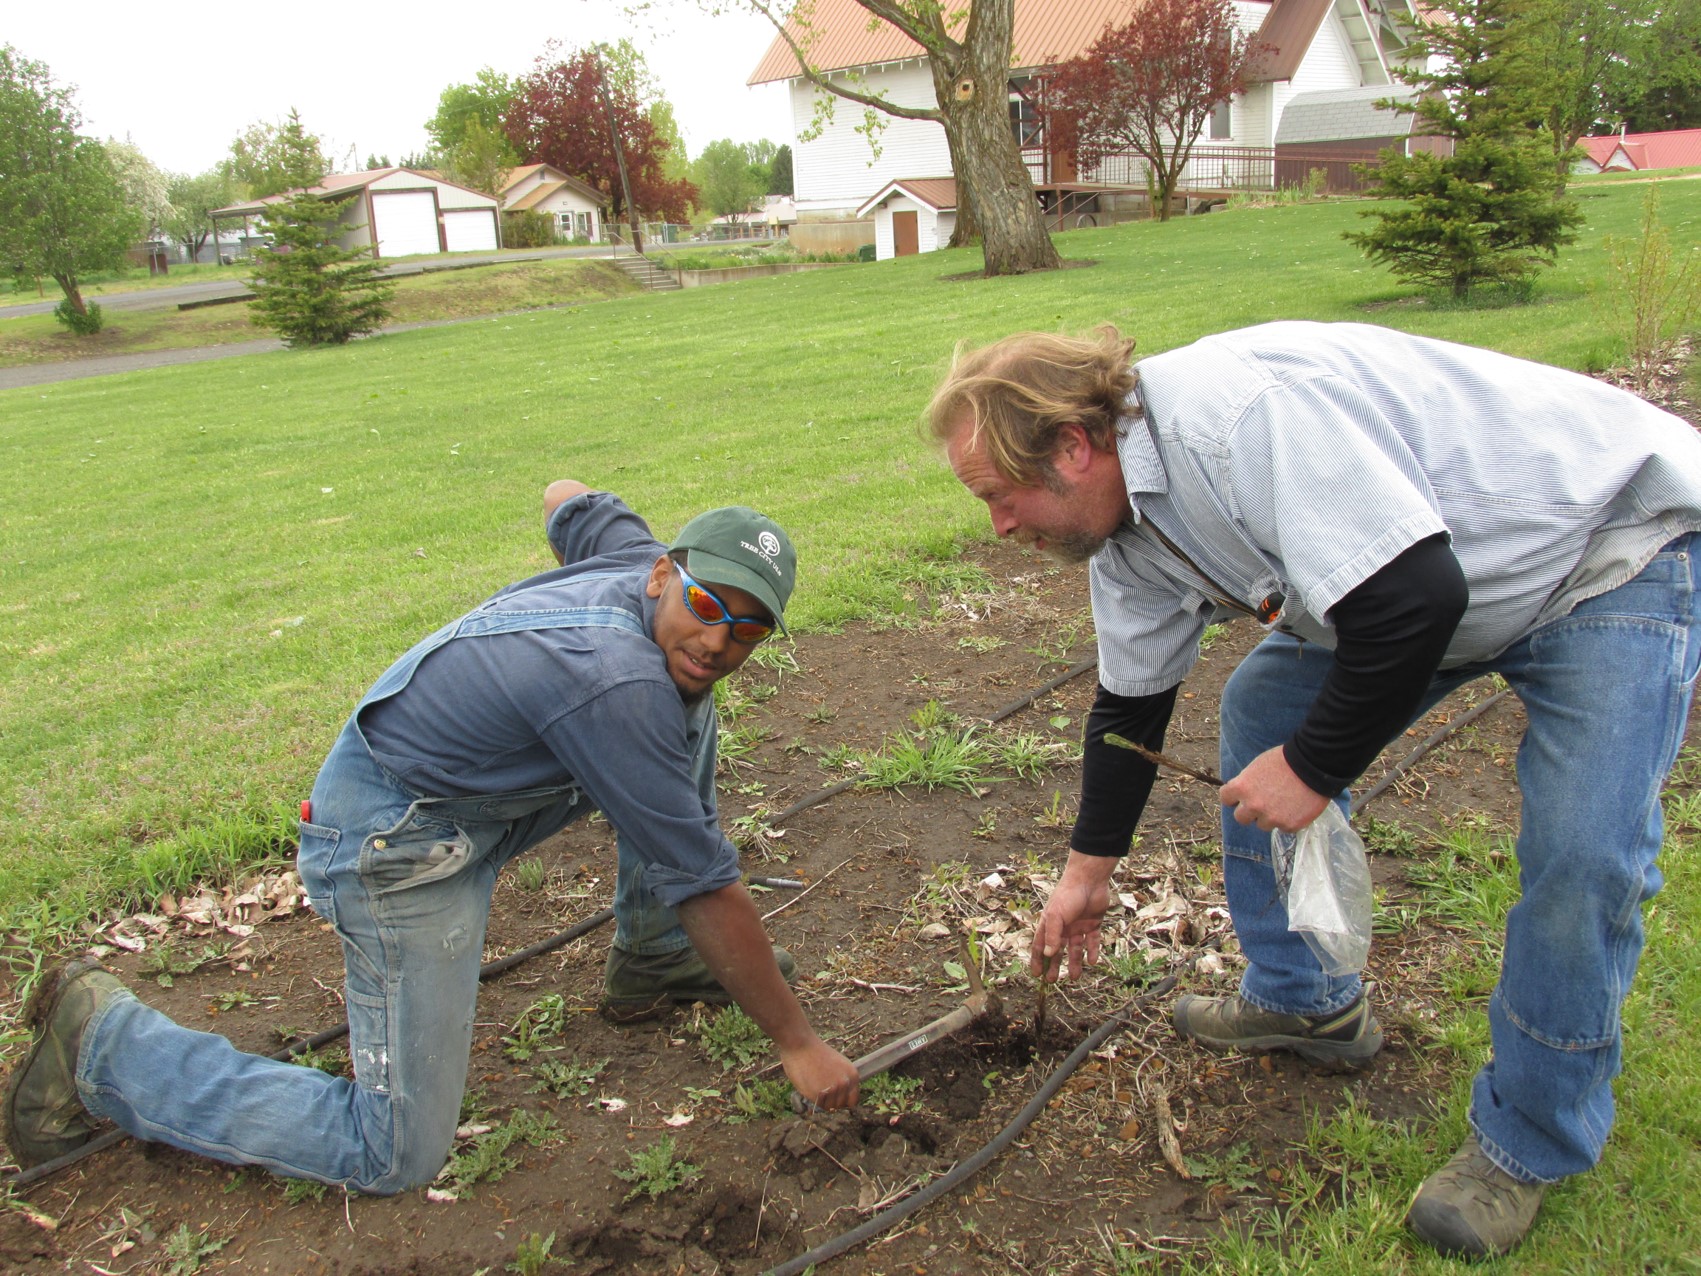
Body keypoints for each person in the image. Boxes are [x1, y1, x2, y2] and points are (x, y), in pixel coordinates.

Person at [928, 321, 1701, 1259]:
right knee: (1264, 701)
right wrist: (1086, 873)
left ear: (1072, 446)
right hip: (1432, 593)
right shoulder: (1123, 533)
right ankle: (1305, 997)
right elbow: (1127, 710)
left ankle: (1527, 1142)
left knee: (1586, 852)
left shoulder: (1239, 424)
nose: (998, 527)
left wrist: (1311, 770)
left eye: (999, 498)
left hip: (1599, 554)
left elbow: (1415, 600)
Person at [3, 484, 860, 1192]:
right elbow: (702, 878)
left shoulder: (629, 558)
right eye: (706, 606)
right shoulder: (612, 684)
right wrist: (799, 1042)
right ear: (661, 576)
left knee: (683, 710)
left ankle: (652, 958)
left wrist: (579, 512)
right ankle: (107, 1045)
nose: (717, 640)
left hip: (460, 801)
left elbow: (571, 498)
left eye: (748, 629)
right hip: (391, 849)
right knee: (393, 1154)